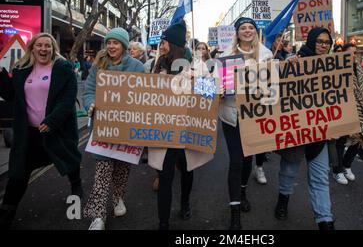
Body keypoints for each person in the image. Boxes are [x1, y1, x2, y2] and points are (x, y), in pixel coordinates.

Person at [0, 33, 82, 230]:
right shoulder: (22, 70)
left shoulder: (63, 69)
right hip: (28, 134)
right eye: (40, 46)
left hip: (56, 130)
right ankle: (5, 215)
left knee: (68, 160)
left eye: (48, 46)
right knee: (18, 172)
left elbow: (67, 100)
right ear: (32, 49)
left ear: (53, 49)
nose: (44, 49)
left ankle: (76, 185)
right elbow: (11, 95)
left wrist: (52, 121)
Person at [147, 20, 213, 230]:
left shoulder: (198, 65)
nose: (161, 46)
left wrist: (196, 81)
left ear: (174, 43)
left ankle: (184, 204)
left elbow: (211, 93)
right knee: (165, 174)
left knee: (186, 171)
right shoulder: (157, 64)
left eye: (164, 42)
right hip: (165, 130)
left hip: (188, 130)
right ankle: (163, 221)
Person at [83, 28, 145, 230]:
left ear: (124, 46)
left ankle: (118, 198)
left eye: (115, 43)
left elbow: (145, 93)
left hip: (127, 127)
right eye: (108, 42)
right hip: (104, 127)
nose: (111, 46)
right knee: (102, 171)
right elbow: (89, 90)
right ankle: (97, 215)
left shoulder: (137, 66)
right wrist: (90, 104)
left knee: (121, 168)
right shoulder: (98, 65)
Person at [274, 27, 335, 230]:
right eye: (319, 41)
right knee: (289, 171)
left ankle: (325, 220)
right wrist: (287, 67)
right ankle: (283, 199)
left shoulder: (335, 66)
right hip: (296, 131)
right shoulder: (295, 60)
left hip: (319, 132)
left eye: (327, 42)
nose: (323, 45)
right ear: (311, 41)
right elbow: (276, 89)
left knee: (320, 177)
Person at [219, 17, 273, 229]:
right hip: (231, 115)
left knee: (247, 159)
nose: (248, 31)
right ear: (237, 32)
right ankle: (235, 213)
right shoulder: (226, 56)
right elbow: (216, 84)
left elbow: (275, 85)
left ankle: (242, 190)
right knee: (236, 161)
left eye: (251, 27)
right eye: (243, 28)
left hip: (255, 116)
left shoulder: (267, 54)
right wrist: (218, 89)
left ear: (255, 32)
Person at [332, 43, 363, 184]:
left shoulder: (359, 69)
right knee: (341, 141)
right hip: (343, 109)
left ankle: (346, 165)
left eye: (354, 53)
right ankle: (337, 170)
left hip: (359, 109)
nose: (352, 55)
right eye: (349, 52)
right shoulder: (336, 68)